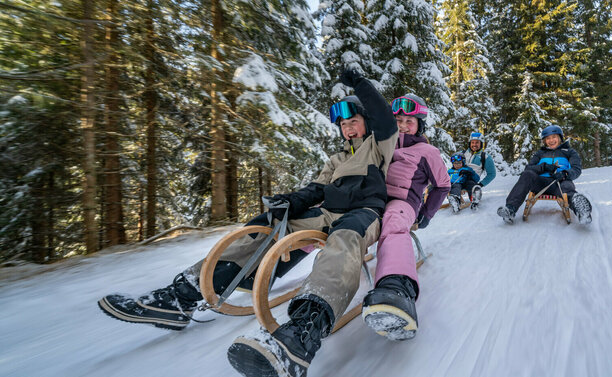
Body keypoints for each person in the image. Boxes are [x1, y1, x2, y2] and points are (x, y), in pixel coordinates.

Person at [97, 69, 398, 377]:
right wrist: (290, 202)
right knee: (267, 226)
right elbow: (317, 190)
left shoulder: (379, 146)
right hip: (326, 213)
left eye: (353, 121)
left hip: (363, 213)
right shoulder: (335, 161)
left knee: (344, 239)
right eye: (343, 125)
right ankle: (182, 296)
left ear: (366, 122)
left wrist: (360, 84)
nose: (348, 129)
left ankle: (303, 334)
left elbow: (384, 116)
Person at [361, 93, 450, 341]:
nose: (402, 125)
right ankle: (284, 258)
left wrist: (425, 215)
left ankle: (397, 290)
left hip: (402, 202)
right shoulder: (381, 143)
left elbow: (442, 185)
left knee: (393, 223)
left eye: (409, 121)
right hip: (373, 199)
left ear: (420, 124)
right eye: (398, 120)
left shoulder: (427, 151)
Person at [497, 125, 593, 224]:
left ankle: (582, 211)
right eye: (548, 138)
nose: (551, 140)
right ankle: (510, 209)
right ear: (544, 141)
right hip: (540, 183)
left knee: (567, 189)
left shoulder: (569, 152)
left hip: (560, 182)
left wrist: (565, 174)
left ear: (560, 137)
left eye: (554, 137)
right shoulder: (540, 153)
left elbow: (576, 169)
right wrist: (544, 167)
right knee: (527, 174)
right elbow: (528, 168)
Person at [453, 131, 496, 210]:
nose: (474, 145)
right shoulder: (462, 154)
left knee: (471, 186)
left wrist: (480, 185)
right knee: (454, 185)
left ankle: (475, 198)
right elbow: (454, 164)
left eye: (477, 142)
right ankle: (455, 200)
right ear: (470, 143)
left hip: (472, 179)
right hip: (459, 178)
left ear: (481, 144)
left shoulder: (485, 157)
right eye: (472, 142)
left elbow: (492, 174)